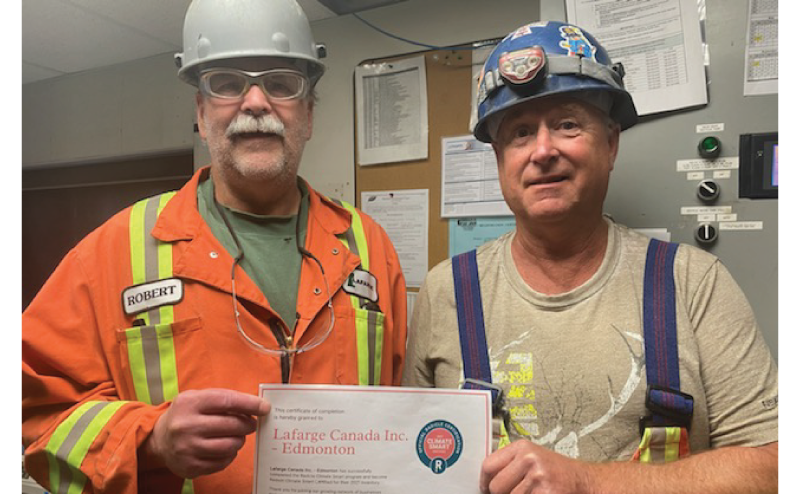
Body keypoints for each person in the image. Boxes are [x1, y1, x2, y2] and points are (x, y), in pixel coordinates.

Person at [21, 1, 407, 492]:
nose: (255, 102)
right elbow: (40, 412)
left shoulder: (370, 246)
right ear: (201, 114)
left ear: (308, 114)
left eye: (281, 83)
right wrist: (151, 438)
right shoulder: (115, 249)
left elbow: (398, 414)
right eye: (225, 83)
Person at [402, 21, 778, 493]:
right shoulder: (447, 292)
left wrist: (590, 482)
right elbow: (414, 463)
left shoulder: (694, 283)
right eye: (519, 133)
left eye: (567, 124)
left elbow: (770, 467)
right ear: (499, 159)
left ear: (611, 143)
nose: (543, 150)